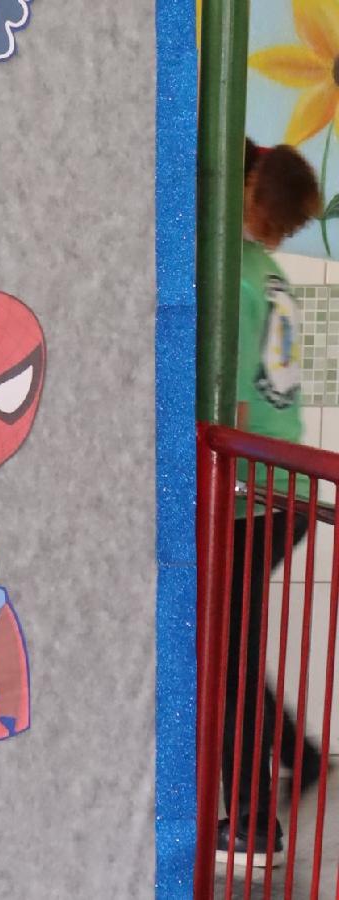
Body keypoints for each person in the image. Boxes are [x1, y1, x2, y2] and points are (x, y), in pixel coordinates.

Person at [217, 138, 323, 870]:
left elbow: (236, 404)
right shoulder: (271, 274)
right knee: (237, 642)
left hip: (254, 493)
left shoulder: (234, 273)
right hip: (290, 488)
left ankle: (255, 825)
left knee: (230, 654)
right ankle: (297, 754)